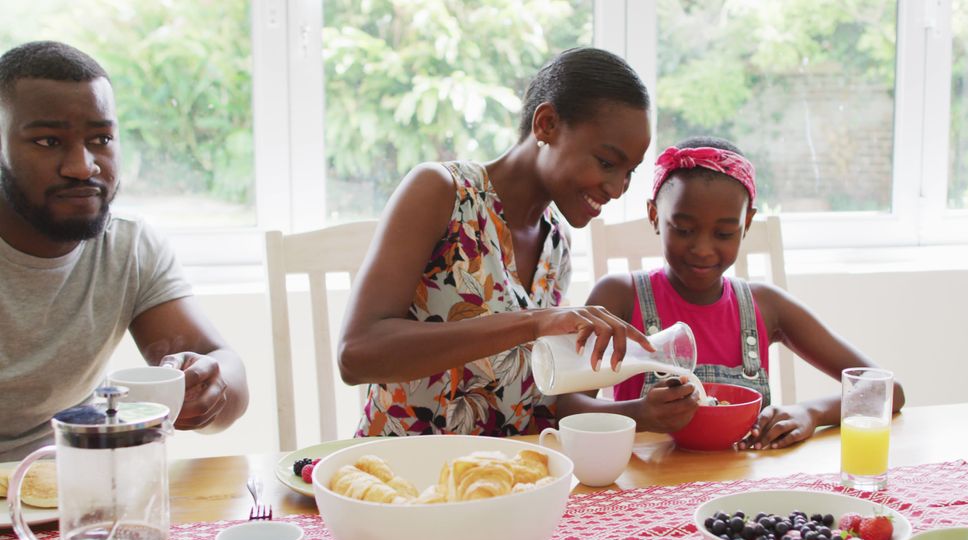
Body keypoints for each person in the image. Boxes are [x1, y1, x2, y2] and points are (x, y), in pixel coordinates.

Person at [338, 47, 653, 437]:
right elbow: (356, 354)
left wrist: (639, 412)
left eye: (629, 173)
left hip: (504, 479)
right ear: (547, 124)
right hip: (402, 477)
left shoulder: (557, 243)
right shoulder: (442, 193)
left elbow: (527, 398)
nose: (617, 188)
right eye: (607, 162)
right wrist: (534, 322)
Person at [557, 136, 905, 449]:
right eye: (683, 229)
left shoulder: (767, 306)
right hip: (646, 493)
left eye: (724, 234)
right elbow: (565, 406)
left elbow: (886, 391)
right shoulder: (619, 296)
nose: (703, 249)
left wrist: (809, 412)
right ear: (654, 216)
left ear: (747, 224)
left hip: (742, 500)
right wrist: (640, 414)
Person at [0, 41, 248, 461]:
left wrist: (208, 390)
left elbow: (226, 375)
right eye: (47, 141)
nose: (82, 166)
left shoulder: (127, 246)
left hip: (74, 490)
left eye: (101, 138)